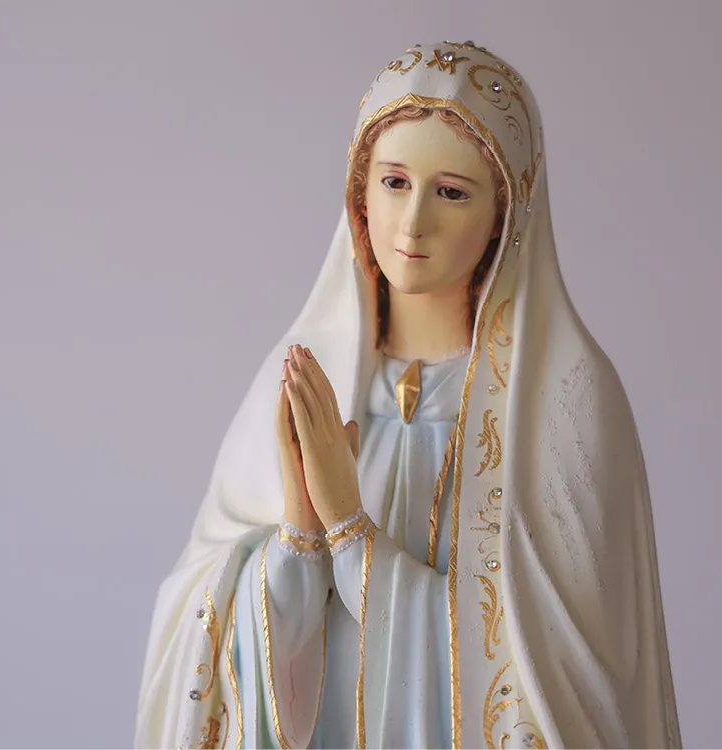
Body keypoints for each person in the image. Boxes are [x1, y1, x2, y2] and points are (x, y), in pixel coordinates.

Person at [134, 41, 682, 749]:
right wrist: (299, 536)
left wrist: (350, 531)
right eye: (394, 182)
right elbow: (198, 617)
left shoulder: (564, 402)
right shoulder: (306, 380)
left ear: (504, 213)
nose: (413, 221)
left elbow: (560, 679)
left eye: (451, 192)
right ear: (359, 193)